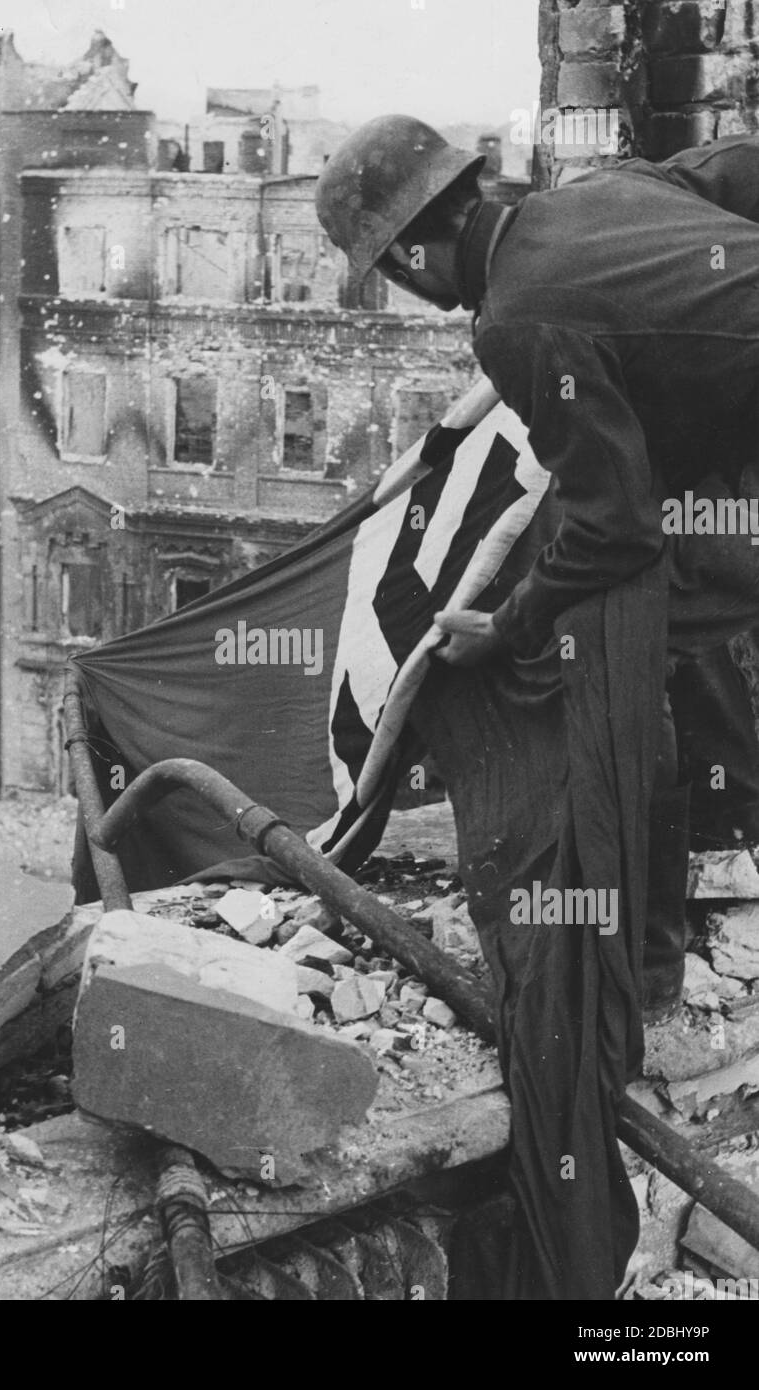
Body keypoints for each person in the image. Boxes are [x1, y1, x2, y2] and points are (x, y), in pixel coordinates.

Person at [316, 115, 759, 1017]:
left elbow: (618, 530)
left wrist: (508, 624)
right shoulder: (601, 195)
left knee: (613, 642)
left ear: (408, 258)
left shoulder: (517, 321)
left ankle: (644, 967)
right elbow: (738, 166)